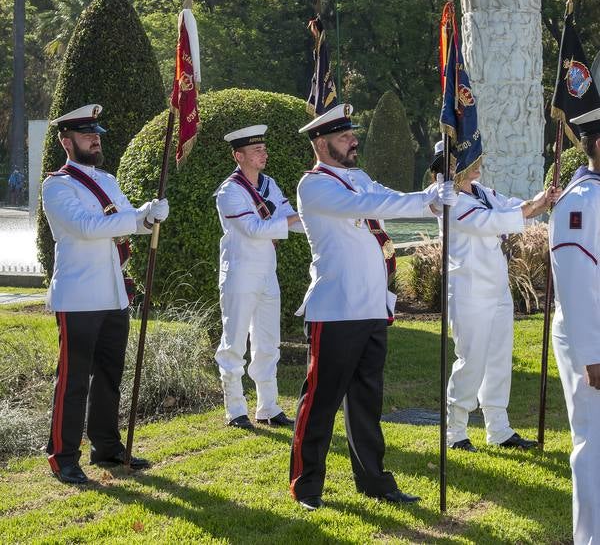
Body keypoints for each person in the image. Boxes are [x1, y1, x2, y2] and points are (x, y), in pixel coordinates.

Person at [289, 103, 457, 511]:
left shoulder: (358, 177)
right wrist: (425, 198)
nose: (353, 140)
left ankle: (374, 481)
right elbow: (368, 206)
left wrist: (430, 201)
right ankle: (306, 486)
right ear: (321, 142)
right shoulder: (313, 185)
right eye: (344, 136)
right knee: (320, 401)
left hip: (369, 308)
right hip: (335, 309)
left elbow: (384, 196)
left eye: (352, 133)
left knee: (367, 401)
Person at [42, 104, 169, 485]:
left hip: (114, 294)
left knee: (110, 375)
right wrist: (136, 216)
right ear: (67, 142)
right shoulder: (57, 185)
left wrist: (150, 218)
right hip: (78, 296)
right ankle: (63, 456)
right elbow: (86, 227)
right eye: (86, 134)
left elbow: (126, 222)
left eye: (96, 133)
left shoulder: (108, 181)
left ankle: (106, 446)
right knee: (74, 379)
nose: (95, 139)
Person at [440, 151, 556, 453]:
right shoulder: (451, 202)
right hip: (469, 289)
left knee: (499, 360)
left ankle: (499, 428)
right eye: (470, 160)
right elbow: (491, 221)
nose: (478, 164)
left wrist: (540, 200)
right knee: (471, 360)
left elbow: (509, 206)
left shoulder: (482, 191)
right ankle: (455, 431)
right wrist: (530, 208)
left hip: (496, 287)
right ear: (453, 167)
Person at [214, 124, 305, 430]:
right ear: (238, 156)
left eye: (264, 148)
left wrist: (318, 219)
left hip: (267, 271)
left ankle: (268, 406)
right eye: (256, 150)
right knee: (234, 343)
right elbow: (252, 229)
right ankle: (235, 409)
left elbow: (289, 217)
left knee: (268, 343)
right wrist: (293, 219)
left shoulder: (269, 184)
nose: (264, 153)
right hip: (240, 273)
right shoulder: (229, 191)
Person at [549, 106, 600, 545]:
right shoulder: (580, 202)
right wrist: (592, 355)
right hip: (592, 341)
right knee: (595, 445)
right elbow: (575, 283)